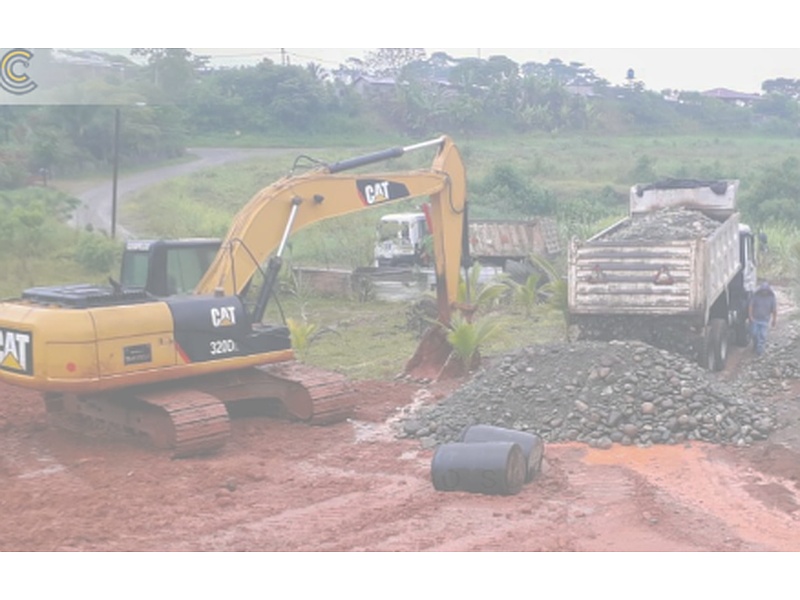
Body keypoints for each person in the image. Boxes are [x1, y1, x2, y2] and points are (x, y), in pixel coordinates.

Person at [749, 281, 777, 356]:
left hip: (765, 320)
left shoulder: (772, 298)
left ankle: (759, 352)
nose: (764, 292)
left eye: (766, 291)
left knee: (762, 335)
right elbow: (751, 306)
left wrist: (774, 320)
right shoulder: (756, 296)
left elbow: (774, 310)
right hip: (755, 319)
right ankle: (755, 345)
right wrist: (750, 316)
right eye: (763, 290)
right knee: (754, 333)